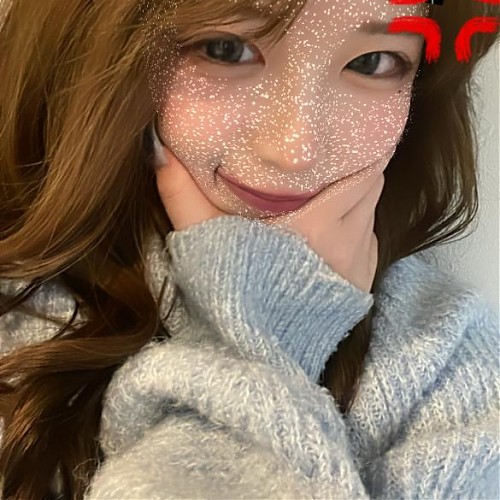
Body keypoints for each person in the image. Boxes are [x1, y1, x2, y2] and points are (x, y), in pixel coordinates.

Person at [0, 0, 498, 498]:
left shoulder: (450, 359)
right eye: (226, 49)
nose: (294, 150)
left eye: (372, 62)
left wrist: (262, 337)